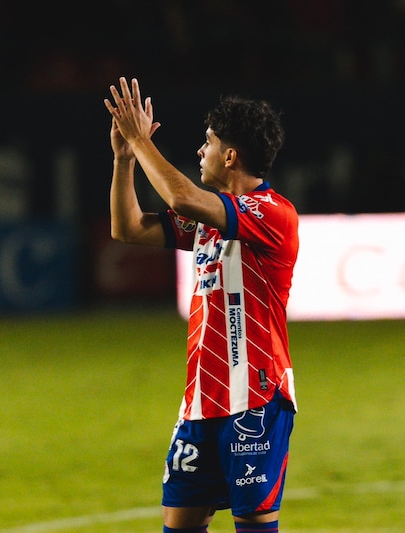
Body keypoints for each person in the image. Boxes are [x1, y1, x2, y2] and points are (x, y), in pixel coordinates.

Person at [105, 77, 299, 533]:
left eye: (207, 142)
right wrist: (123, 159)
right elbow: (128, 228)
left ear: (230, 156)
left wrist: (139, 136)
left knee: (253, 525)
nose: (199, 151)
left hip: (255, 399)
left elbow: (180, 196)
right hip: (200, 402)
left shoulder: (272, 213)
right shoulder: (209, 222)